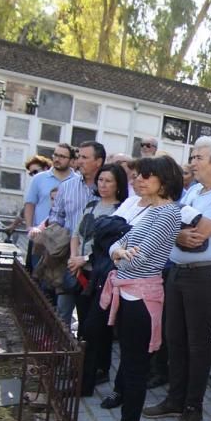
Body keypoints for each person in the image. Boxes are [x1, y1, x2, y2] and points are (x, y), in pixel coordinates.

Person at [142, 137, 211, 421]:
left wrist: (176, 232)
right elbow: (169, 224)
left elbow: (198, 235)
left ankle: (192, 408)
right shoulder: (195, 190)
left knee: (198, 345)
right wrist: (176, 234)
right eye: (193, 156)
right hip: (179, 272)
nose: (192, 162)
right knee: (175, 338)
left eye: (198, 157)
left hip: (206, 275)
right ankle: (174, 399)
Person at [88, 157, 184, 421]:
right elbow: (117, 246)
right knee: (129, 367)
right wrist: (121, 251)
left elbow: (138, 257)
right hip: (129, 296)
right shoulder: (150, 210)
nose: (137, 180)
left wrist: (122, 252)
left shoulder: (168, 213)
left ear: (164, 181)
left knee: (134, 370)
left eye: (146, 176)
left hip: (142, 299)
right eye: (137, 175)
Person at [71, 164, 129, 397]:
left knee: (97, 327)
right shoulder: (91, 205)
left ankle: (99, 368)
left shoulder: (121, 210)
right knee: (84, 323)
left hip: (101, 273)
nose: (103, 185)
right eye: (101, 180)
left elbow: (107, 247)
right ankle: (84, 365)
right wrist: (74, 259)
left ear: (118, 185)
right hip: (80, 270)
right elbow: (76, 234)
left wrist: (84, 258)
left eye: (108, 181)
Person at [47, 141, 107, 329]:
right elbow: (56, 217)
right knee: (62, 313)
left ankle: (82, 354)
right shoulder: (67, 186)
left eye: (84, 157)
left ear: (98, 161)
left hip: (96, 264)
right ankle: (60, 355)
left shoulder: (109, 188)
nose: (79, 161)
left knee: (89, 318)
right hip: (69, 260)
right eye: (78, 156)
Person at [24, 144, 74, 271]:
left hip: (64, 240)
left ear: (71, 160)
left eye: (62, 156)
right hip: (40, 237)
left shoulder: (77, 180)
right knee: (35, 276)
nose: (57, 159)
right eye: (55, 155)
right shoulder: (39, 178)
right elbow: (30, 204)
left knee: (57, 280)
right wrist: (30, 227)